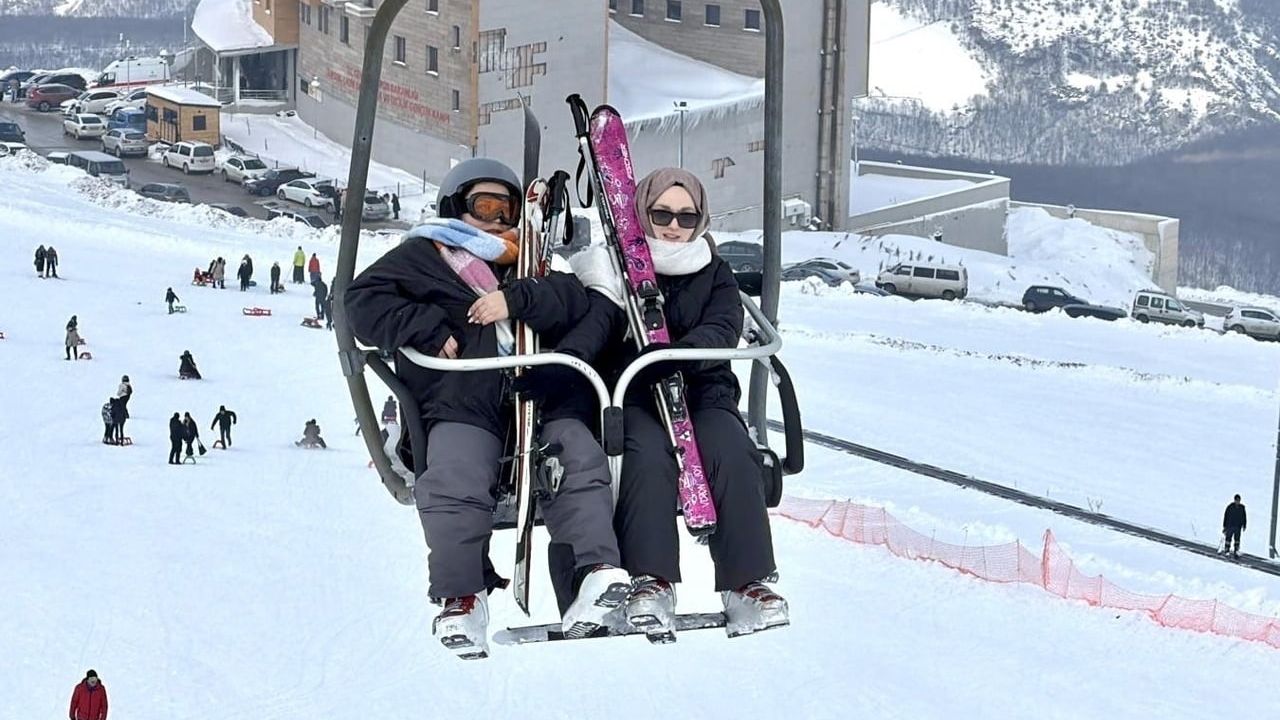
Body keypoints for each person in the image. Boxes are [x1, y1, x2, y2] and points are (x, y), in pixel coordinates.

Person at [344, 157, 627, 659]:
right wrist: (426, 327)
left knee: (578, 458)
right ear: (457, 206)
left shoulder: (531, 262)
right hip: (461, 400)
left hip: (539, 397)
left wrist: (517, 300)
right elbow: (362, 302)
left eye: (507, 207)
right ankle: (462, 596)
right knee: (454, 476)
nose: (497, 217)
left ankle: (594, 574)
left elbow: (573, 303)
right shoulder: (423, 256)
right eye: (485, 205)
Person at [581, 167, 787, 640]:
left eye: (686, 216)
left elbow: (722, 327)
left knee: (733, 452)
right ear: (643, 213)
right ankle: (651, 581)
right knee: (646, 458)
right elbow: (600, 323)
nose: (674, 226)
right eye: (661, 214)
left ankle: (745, 584)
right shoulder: (616, 267)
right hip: (634, 393)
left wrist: (673, 356)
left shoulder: (713, 270)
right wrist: (636, 359)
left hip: (701, 389)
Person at [1222, 494, 1247, 559]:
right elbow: (1226, 516)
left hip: (1238, 527)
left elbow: (1244, 517)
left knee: (1237, 540)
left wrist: (1244, 525)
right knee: (1228, 539)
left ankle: (1236, 551)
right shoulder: (1230, 507)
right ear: (1234, 500)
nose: (1237, 502)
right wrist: (1225, 526)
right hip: (1230, 526)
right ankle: (1227, 550)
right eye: (1236, 500)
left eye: (1239, 500)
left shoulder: (1242, 508)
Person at [114, 375, 132, 443]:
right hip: (127, 397)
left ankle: (125, 414)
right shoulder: (128, 385)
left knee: (122, 406)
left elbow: (118, 393)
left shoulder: (121, 385)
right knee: (124, 405)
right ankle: (126, 414)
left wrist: (120, 394)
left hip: (122, 396)